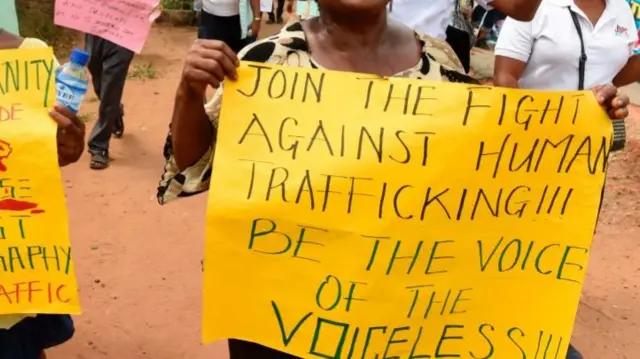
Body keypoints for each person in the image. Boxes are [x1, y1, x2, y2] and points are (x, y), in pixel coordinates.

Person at [158, 0, 630, 358]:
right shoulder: (265, 63)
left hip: (402, 314)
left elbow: (482, 171)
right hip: (289, 318)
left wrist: (579, 124)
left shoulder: (441, 63)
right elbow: (193, 171)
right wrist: (187, 91)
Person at [494, 1, 637, 357]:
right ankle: (500, 322)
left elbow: (621, 70)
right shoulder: (535, 6)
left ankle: (546, 327)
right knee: (519, 236)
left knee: (571, 237)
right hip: (528, 150)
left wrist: (603, 99)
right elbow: (504, 78)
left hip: (587, 153)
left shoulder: (622, 10)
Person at [0, 29, 85, 359]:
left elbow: (53, 151)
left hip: (13, 271)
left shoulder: (30, 61)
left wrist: (70, 145)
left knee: (18, 344)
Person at [84, 34, 134, 170]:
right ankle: (114, 111)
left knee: (111, 87)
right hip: (95, 31)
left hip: (125, 33)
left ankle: (98, 147)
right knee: (99, 81)